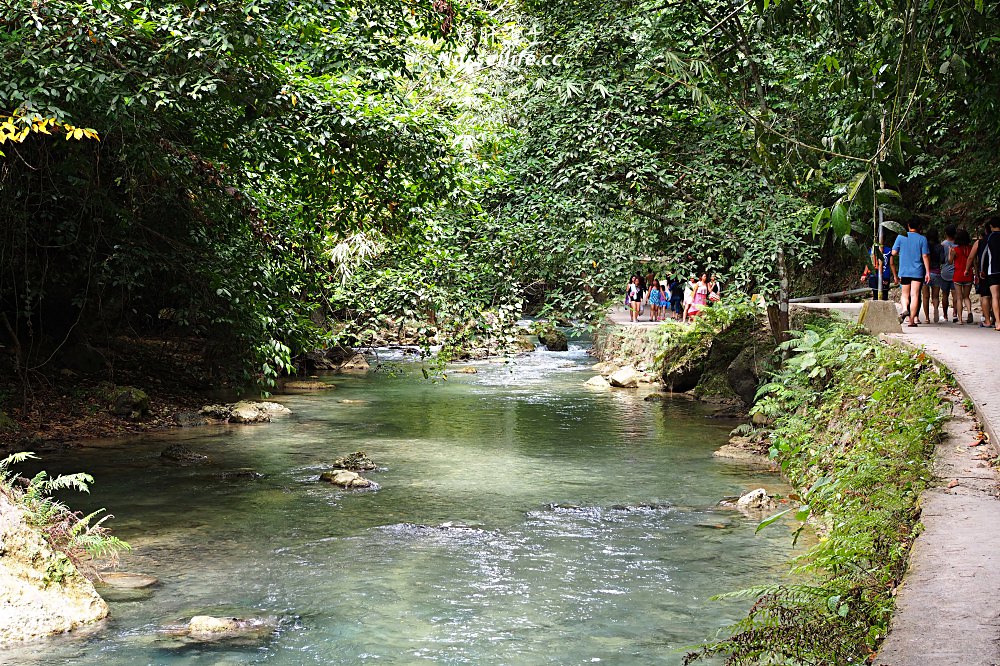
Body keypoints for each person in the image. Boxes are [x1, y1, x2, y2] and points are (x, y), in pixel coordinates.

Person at [891, 218, 931, 327]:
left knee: (904, 294)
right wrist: (927, 272)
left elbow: (893, 252)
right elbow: (925, 256)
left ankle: (904, 309)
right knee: (915, 295)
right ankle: (912, 321)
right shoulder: (922, 239)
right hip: (917, 271)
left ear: (908, 226)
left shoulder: (901, 237)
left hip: (904, 270)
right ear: (919, 227)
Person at [967, 222, 996, 328]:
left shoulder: (980, 242)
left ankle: (987, 320)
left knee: (985, 296)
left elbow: (971, 257)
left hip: (984, 272)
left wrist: (967, 269)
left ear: (986, 230)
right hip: (996, 271)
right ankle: (996, 319)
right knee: (996, 296)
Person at [950, 228, 975, 325]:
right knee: (966, 296)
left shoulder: (955, 250)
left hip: (958, 274)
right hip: (968, 274)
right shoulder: (971, 248)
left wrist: (950, 253)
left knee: (959, 298)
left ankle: (960, 319)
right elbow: (974, 261)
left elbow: (950, 261)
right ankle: (969, 312)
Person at [921, 228, 946, 323]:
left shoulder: (924, 245)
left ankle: (927, 318)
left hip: (925, 273)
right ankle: (935, 308)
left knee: (925, 296)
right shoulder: (940, 247)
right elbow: (943, 260)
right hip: (936, 272)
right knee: (935, 296)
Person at [981, 216, 1000, 330]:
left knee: (995, 297)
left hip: (993, 270)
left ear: (991, 226)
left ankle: (998, 322)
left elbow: (984, 255)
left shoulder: (989, 238)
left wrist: (981, 269)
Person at [939, 225, 957, 320]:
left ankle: (945, 315)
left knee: (945, 294)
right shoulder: (958, 245)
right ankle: (955, 314)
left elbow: (941, 259)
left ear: (946, 233)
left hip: (945, 272)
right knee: (955, 294)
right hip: (955, 272)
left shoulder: (943, 244)